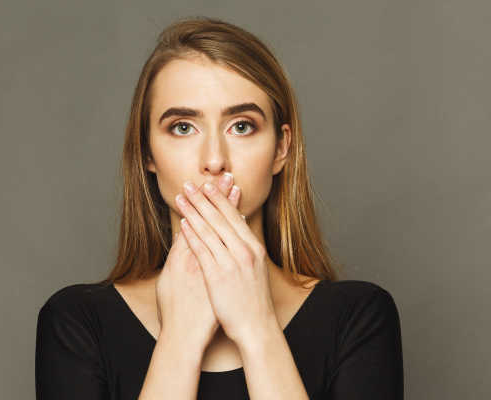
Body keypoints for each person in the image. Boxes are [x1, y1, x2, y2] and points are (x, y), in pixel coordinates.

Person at [35, 16, 403, 399]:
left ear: (281, 148)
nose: (214, 160)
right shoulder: (77, 321)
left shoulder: (357, 317)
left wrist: (257, 327)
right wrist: (180, 340)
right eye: (182, 127)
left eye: (241, 126)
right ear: (147, 152)